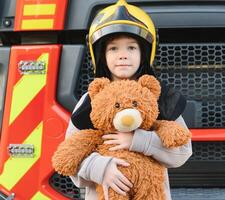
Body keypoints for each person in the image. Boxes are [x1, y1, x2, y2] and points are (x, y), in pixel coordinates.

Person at [65, 0, 192, 199]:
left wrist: (139, 141)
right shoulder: (91, 100)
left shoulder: (159, 97)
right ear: (100, 55)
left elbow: (182, 152)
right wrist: (101, 168)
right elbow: (70, 157)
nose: (123, 55)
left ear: (144, 53)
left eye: (131, 48)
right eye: (113, 49)